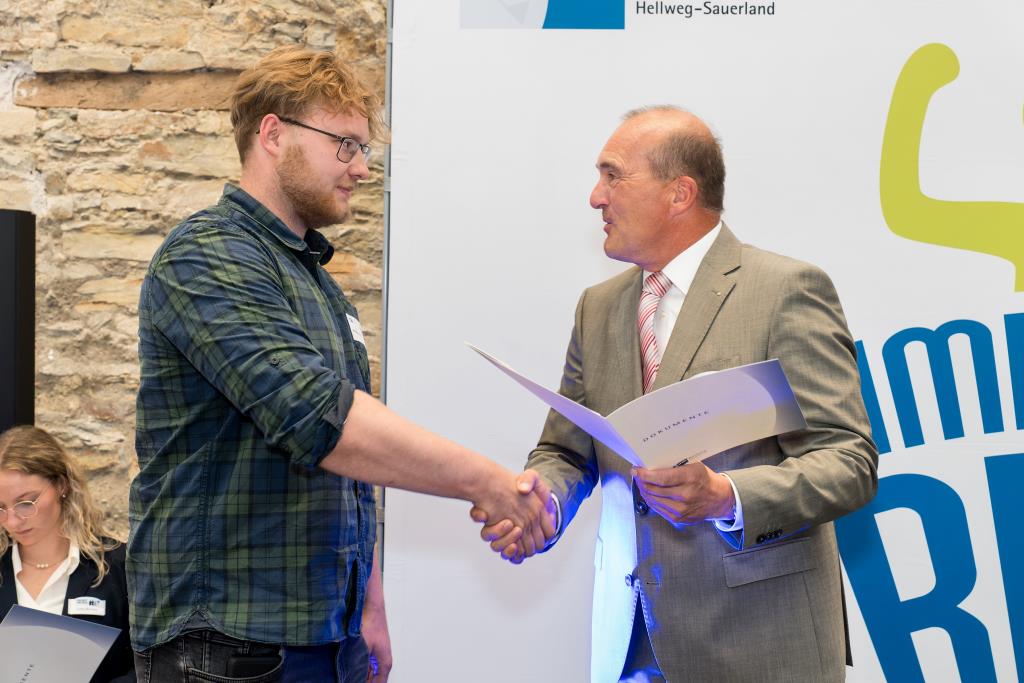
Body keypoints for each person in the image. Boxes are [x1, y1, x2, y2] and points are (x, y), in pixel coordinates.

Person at [130, 46, 554, 683]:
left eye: (364, 149)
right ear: (274, 135)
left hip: (327, 636)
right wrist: (487, 482)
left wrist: (368, 603)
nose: (360, 167)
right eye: (345, 145)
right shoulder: (207, 254)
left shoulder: (319, 285)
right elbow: (316, 417)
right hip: (229, 644)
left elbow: (350, 466)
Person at [475, 106, 879, 682]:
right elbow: (567, 450)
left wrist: (725, 497)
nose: (595, 197)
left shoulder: (785, 291)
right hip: (629, 646)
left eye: (613, 176)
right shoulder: (597, 307)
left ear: (679, 193)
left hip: (759, 647)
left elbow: (848, 461)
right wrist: (543, 505)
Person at [0, 425, 135, 683]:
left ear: (61, 485)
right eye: (0, 508)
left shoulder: (118, 566)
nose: (13, 521)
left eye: (26, 503)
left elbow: (149, 665)